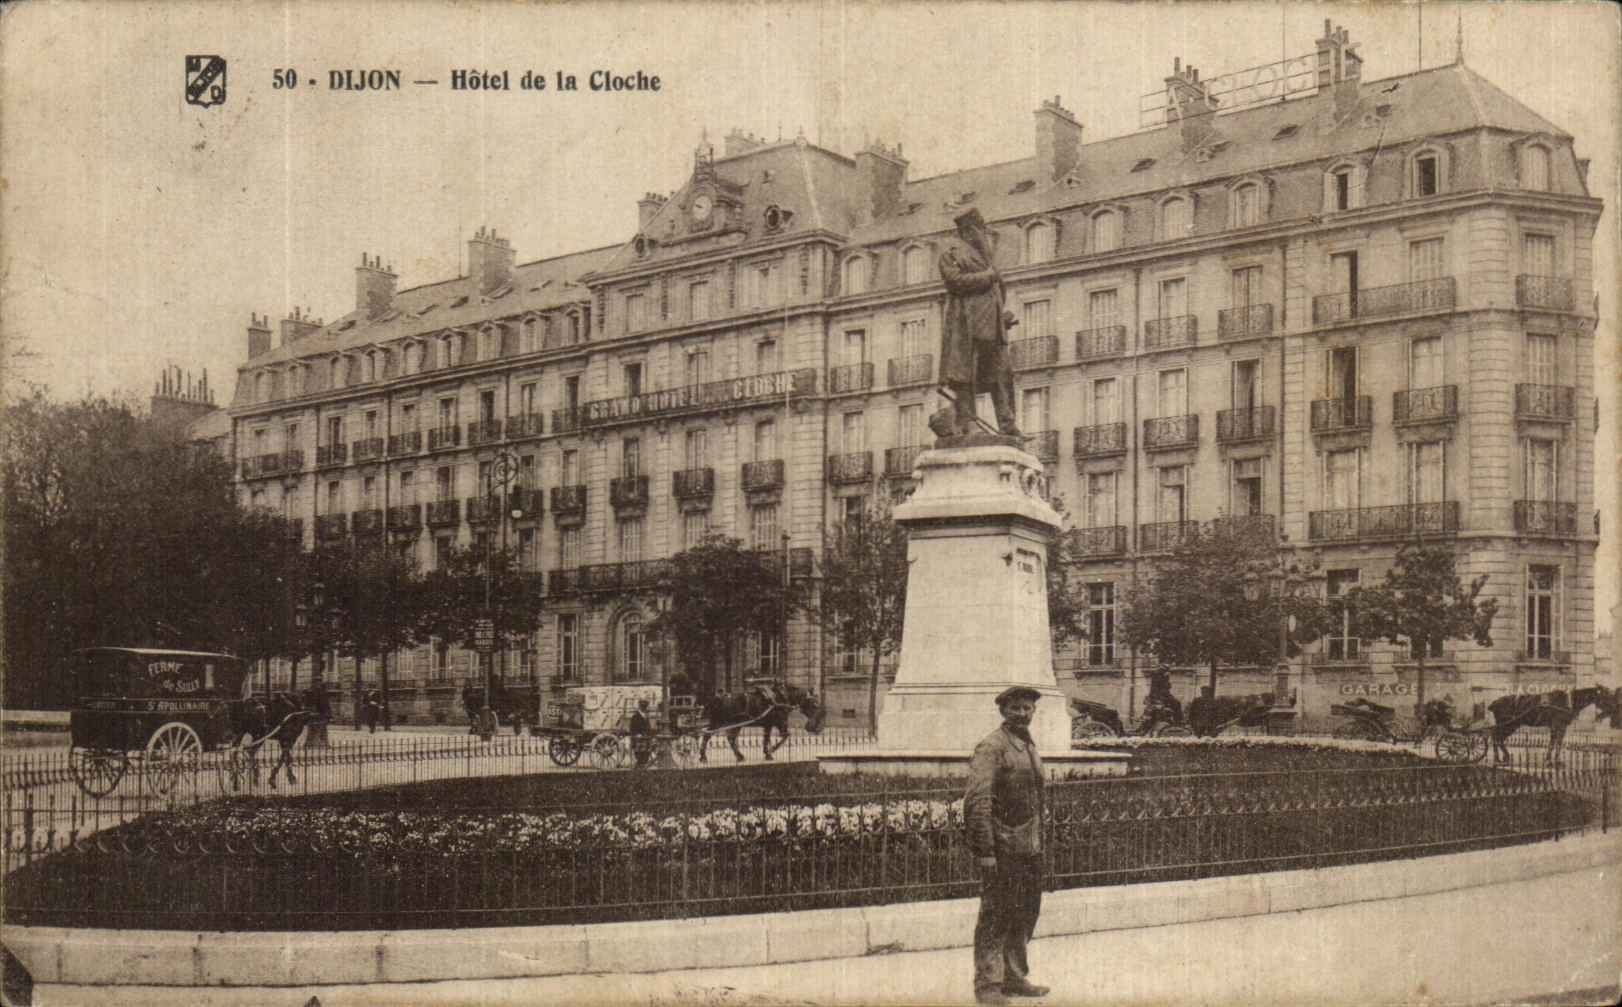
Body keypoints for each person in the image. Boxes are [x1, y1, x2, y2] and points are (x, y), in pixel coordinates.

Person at [965, 686, 1050, 1005]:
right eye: (1017, 708)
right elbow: (978, 801)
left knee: (1025, 911)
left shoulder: (1027, 745)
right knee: (996, 914)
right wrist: (986, 851)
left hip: (1028, 845)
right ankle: (988, 985)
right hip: (1002, 847)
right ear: (1003, 712)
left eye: (1028, 708)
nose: (1023, 714)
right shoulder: (991, 747)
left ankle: (1013, 976)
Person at [934, 208, 1019, 439]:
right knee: (965, 375)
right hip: (966, 325)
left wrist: (1001, 316)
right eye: (978, 229)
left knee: (1002, 373)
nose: (982, 233)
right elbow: (954, 281)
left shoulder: (986, 256)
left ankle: (1007, 424)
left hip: (993, 327)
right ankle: (967, 422)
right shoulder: (951, 252)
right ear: (968, 230)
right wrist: (987, 277)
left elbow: (998, 288)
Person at [629, 699, 654, 769]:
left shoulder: (646, 716)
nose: (644, 708)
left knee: (647, 753)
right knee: (640, 754)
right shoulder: (635, 716)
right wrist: (637, 734)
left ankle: (642, 766)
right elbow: (632, 728)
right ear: (640, 706)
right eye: (643, 706)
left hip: (646, 738)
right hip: (638, 739)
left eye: (645, 707)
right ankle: (640, 765)